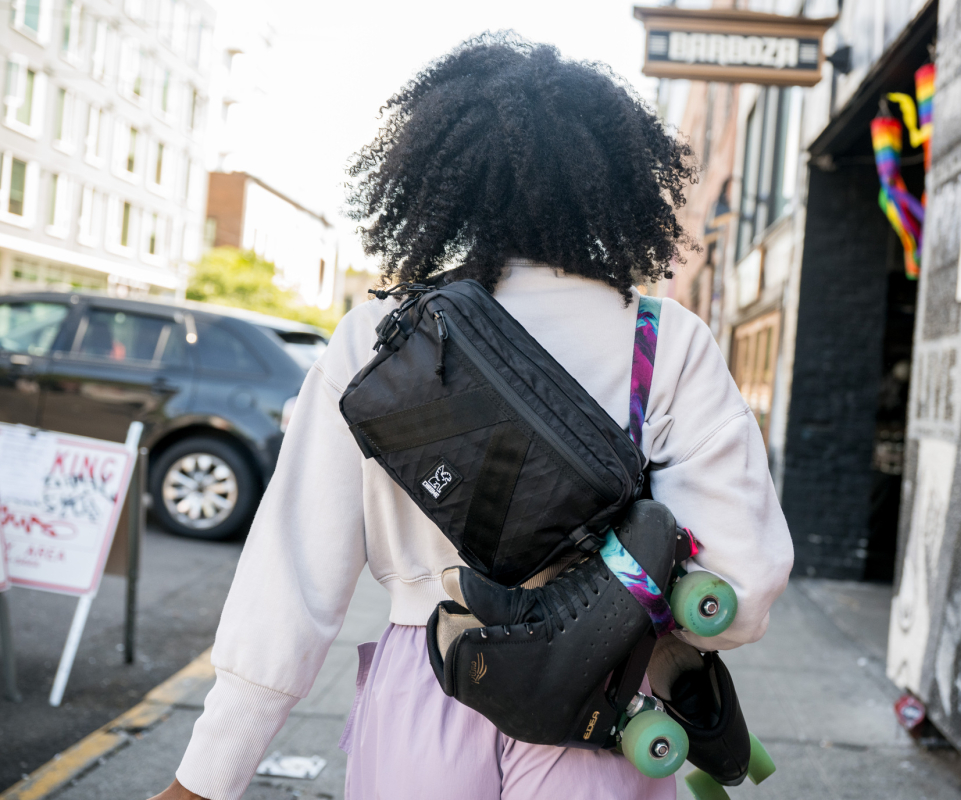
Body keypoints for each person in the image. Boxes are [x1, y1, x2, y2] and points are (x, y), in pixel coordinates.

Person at [153, 34, 792, 800]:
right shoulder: (665, 340)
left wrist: (208, 774)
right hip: (602, 703)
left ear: (442, 180)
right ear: (613, 182)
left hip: (433, 675)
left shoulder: (378, 339)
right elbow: (741, 589)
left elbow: (292, 577)